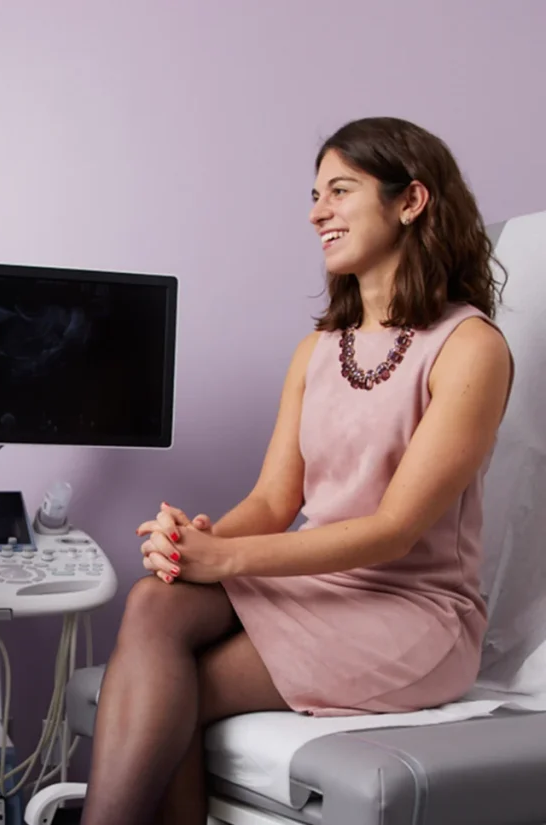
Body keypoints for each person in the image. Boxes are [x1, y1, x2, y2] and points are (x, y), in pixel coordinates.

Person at [79, 117, 513, 825]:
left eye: (340, 190)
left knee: (172, 684)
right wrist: (195, 541)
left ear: (411, 201)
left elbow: (394, 530)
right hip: (316, 587)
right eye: (315, 194)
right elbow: (274, 499)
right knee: (157, 598)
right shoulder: (318, 349)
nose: (317, 211)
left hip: (413, 614)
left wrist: (227, 556)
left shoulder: (469, 347)